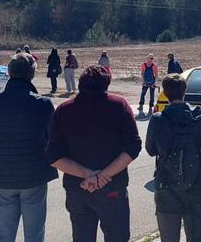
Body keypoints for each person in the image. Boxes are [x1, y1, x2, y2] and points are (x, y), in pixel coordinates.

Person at [47, 65, 142, 242]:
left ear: (81, 83)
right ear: (107, 84)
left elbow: (54, 156)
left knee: (82, 237)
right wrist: (102, 176)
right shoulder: (119, 105)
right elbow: (133, 147)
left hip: (78, 188)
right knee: (117, 237)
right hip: (112, 187)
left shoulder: (63, 110)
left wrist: (88, 175)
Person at [0, 53, 58, 242]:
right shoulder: (42, 104)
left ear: (9, 73)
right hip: (33, 174)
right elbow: (52, 137)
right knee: (34, 235)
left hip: (3, 174)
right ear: (32, 75)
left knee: (4, 235)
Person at [146, 75, 201, 242]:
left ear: (165, 93)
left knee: (168, 238)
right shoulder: (198, 116)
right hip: (196, 186)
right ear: (185, 91)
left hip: (166, 186)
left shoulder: (158, 119)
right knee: (196, 237)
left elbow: (150, 150)